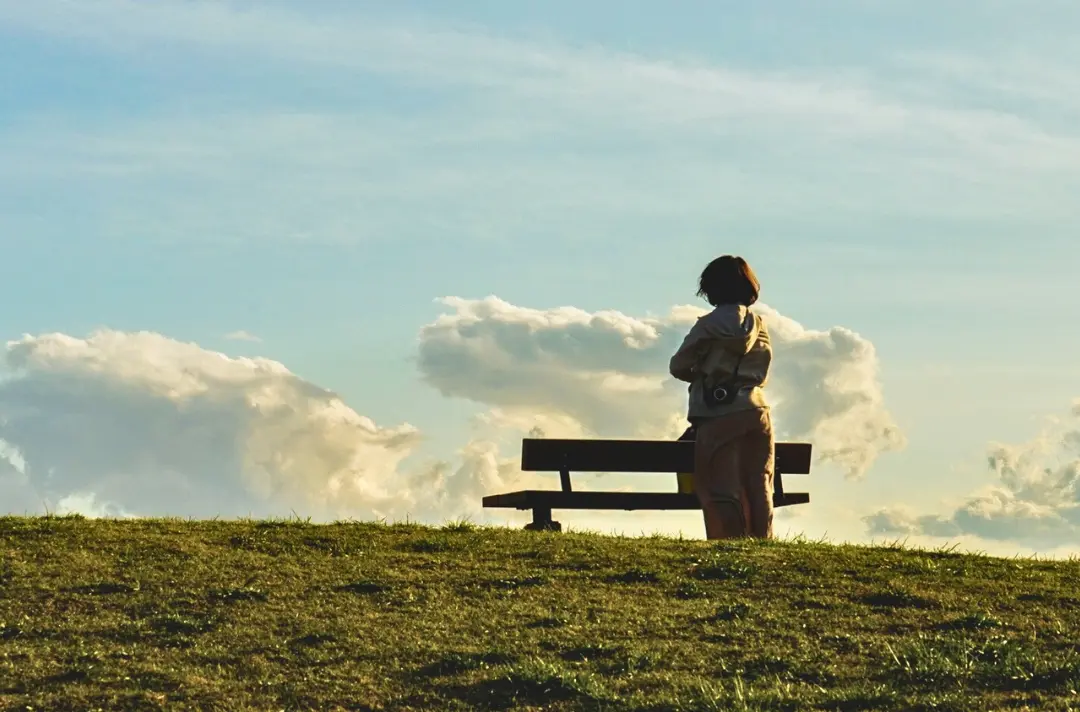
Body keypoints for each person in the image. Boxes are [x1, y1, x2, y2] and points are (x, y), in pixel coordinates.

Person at [668, 255, 774, 540]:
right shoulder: (758, 324)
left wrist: (704, 376)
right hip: (756, 410)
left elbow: (678, 366)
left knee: (720, 484)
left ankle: (728, 541)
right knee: (758, 482)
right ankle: (762, 541)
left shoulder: (707, 326)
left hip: (718, 413)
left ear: (711, 288)